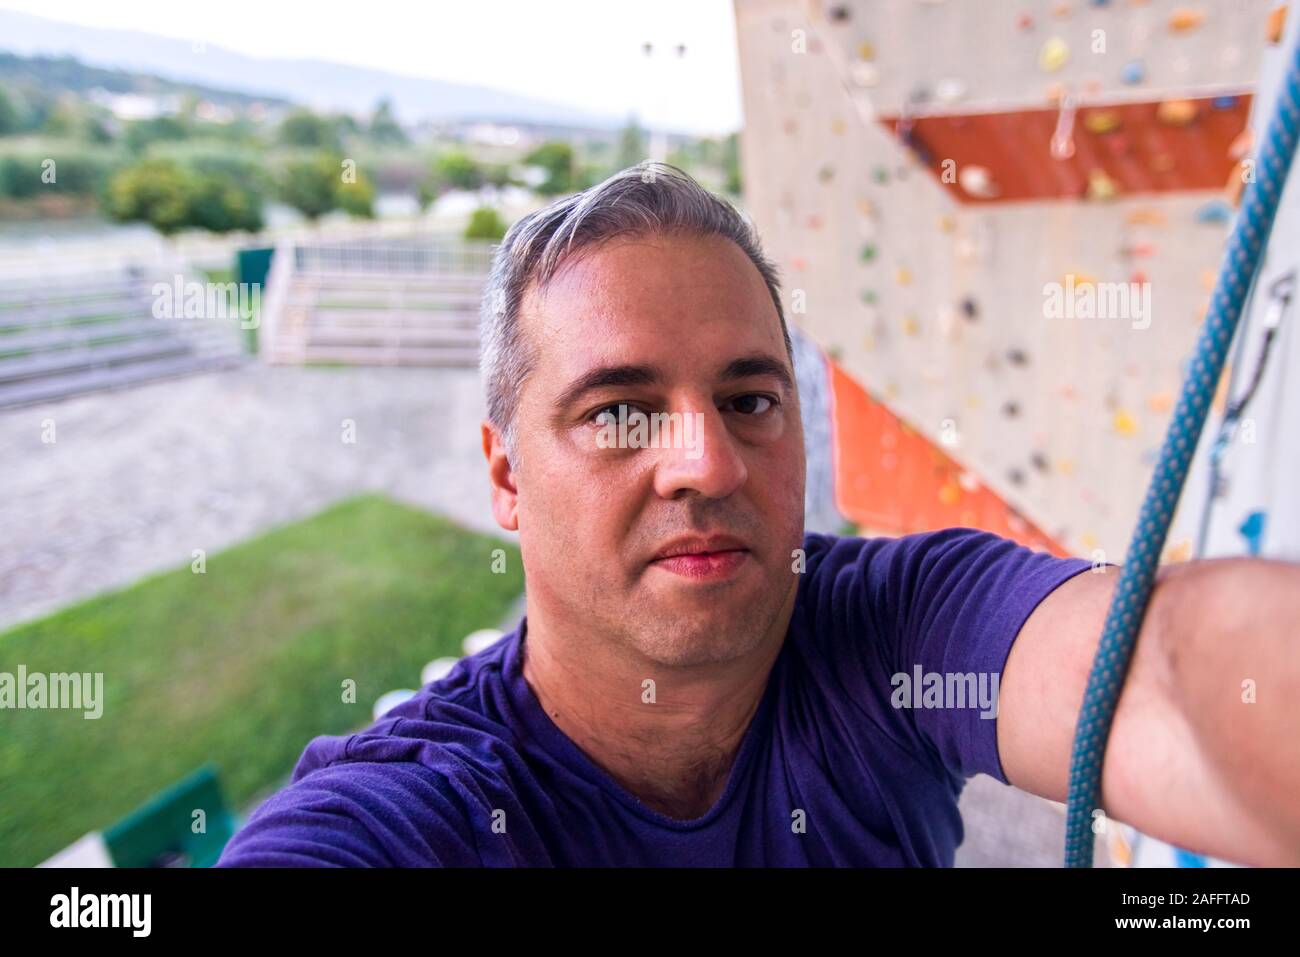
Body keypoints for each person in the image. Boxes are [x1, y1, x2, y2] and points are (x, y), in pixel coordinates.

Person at [217, 163, 1300, 866]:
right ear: (505, 476)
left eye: (748, 401)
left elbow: (1158, 682)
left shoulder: (896, 628)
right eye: (620, 412)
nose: (706, 462)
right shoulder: (410, 817)